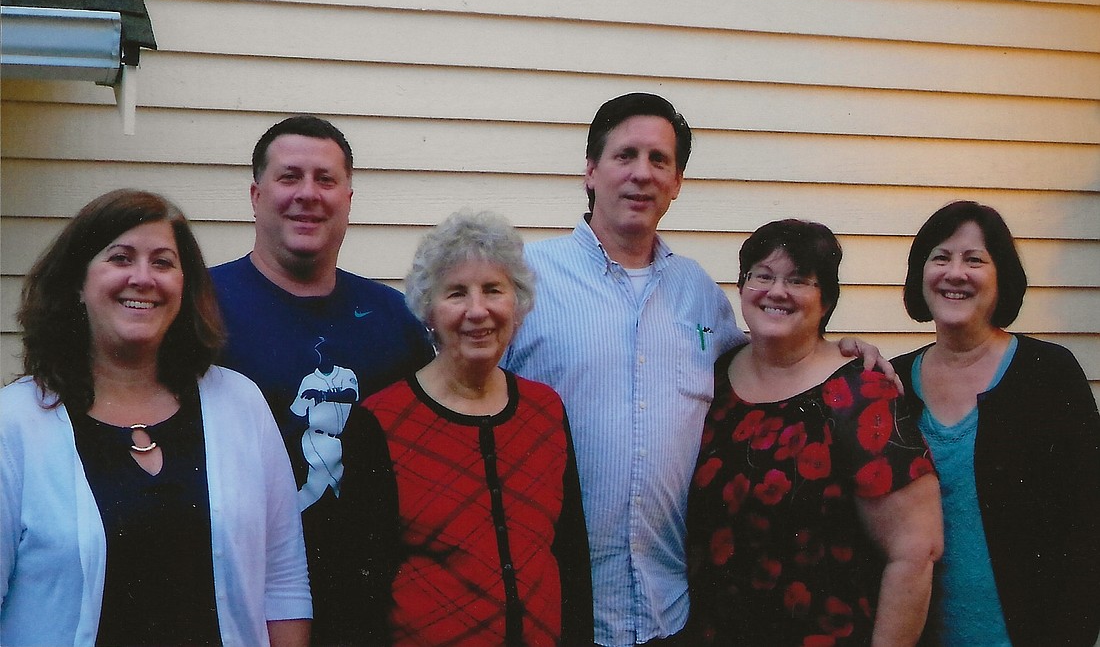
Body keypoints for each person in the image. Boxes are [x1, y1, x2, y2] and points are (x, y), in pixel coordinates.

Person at [504, 92, 894, 646]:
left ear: (678, 181)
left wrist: (839, 350)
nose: (642, 174)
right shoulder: (525, 281)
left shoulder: (697, 295)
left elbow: (766, 360)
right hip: (559, 608)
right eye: (625, 156)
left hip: (674, 609)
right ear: (590, 171)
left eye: (659, 160)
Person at [0, 189, 310, 647]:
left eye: (163, 263)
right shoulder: (15, 422)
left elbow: (283, 586)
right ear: (77, 285)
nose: (143, 278)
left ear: (184, 287)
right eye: (121, 258)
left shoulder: (240, 404)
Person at [209, 116, 433, 643]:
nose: (308, 194)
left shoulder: (393, 318)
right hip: (242, 601)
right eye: (290, 177)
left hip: (369, 605)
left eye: (325, 180)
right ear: (256, 194)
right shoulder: (199, 310)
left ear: (348, 199)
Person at [338, 210, 593, 645]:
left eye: (494, 289)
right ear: (429, 311)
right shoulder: (380, 423)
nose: (479, 311)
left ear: (518, 302)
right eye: (457, 293)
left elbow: (569, 558)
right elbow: (361, 592)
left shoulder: (545, 410)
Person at [688, 218, 943, 645]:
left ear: (826, 302)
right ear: (742, 287)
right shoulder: (714, 378)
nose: (776, 291)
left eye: (799, 280)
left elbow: (915, 552)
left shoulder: (861, 393)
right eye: (762, 276)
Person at [892, 201, 1100, 647]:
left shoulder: (1048, 373)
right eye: (940, 257)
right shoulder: (891, 383)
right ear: (919, 274)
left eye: (974, 260)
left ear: (1001, 276)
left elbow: (1089, 521)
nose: (955, 273)